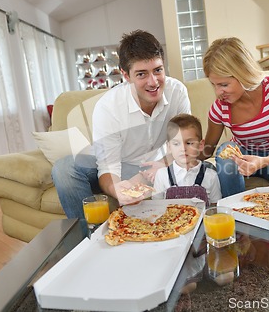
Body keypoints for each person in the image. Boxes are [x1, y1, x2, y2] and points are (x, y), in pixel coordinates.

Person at [52, 29, 191, 222]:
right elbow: (108, 165)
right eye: (141, 74)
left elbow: (184, 145)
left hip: (156, 164)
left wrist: (155, 170)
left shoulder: (178, 92)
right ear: (126, 75)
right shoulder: (108, 107)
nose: (153, 82)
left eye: (158, 70)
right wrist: (117, 189)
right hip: (118, 162)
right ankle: (87, 239)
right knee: (64, 168)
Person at [200, 37, 269, 197]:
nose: (218, 92)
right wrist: (180, 152)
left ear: (243, 73)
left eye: (224, 85)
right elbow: (206, 150)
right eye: (214, 85)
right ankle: (236, 212)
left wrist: (262, 161)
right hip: (241, 157)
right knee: (224, 151)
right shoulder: (219, 108)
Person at [152, 114, 222, 205]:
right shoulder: (162, 175)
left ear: (200, 145)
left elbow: (215, 206)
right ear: (169, 147)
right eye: (176, 144)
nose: (183, 148)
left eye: (189, 143)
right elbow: (156, 207)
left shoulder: (211, 175)